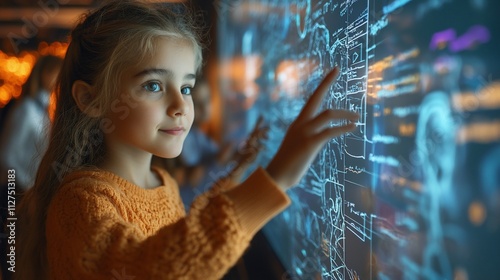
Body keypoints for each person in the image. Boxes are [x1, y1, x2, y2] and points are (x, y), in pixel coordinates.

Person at [15, 1, 359, 280]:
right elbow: (155, 269)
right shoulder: (81, 201)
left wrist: (246, 168)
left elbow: (186, 239)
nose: (181, 106)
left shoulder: (161, 181)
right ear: (91, 100)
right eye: (153, 85)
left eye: (186, 88)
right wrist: (276, 179)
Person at [0, 55, 62, 191]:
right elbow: (7, 155)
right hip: (17, 190)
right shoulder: (27, 109)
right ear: (45, 73)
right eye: (58, 73)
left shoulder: (42, 111)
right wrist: (26, 187)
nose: (60, 80)